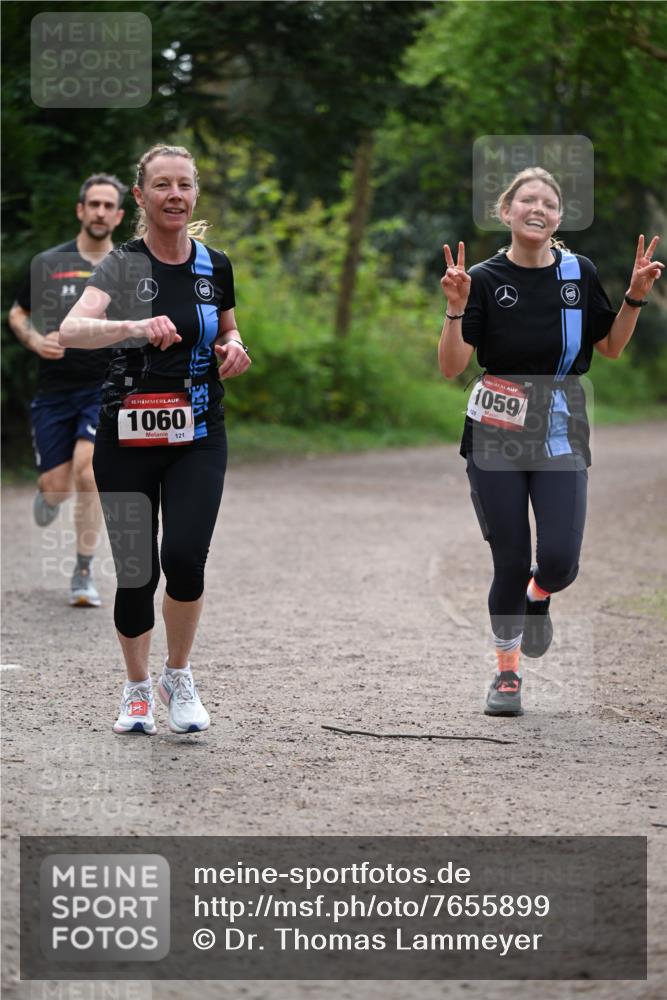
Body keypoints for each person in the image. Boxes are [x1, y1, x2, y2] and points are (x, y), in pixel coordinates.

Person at [438, 166, 663, 717]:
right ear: (507, 211)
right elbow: (451, 368)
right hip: (497, 427)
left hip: (561, 423)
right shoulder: (484, 279)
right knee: (511, 562)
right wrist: (456, 306)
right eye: (527, 200)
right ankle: (507, 673)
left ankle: (539, 599)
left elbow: (608, 348)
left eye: (550, 203)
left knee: (559, 562)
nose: (538, 208)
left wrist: (634, 297)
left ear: (559, 218)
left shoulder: (577, 273)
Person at [60, 143, 251, 736]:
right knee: (138, 571)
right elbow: (71, 330)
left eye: (185, 185)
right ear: (140, 197)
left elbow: (226, 325)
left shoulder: (214, 264)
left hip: (198, 430)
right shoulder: (122, 264)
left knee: (186, 556)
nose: (175, 195)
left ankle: (179, 674)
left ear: (195, 194)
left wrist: (235, 347)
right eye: (162, 185)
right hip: (128, 431)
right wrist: (132, 326)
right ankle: (137, 688)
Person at [9, 174, 127, 606]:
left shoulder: (128, 267)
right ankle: (48, 494)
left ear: (119, 214)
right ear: (81, 210)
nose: (99, 212)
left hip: (104, 389)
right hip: (55, 391)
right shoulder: (49, 264)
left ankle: (82, 572)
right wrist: (35, 339)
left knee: (90, 473)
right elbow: (19, 313)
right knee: (57, 486)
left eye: (107, 205)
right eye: (92, 204)